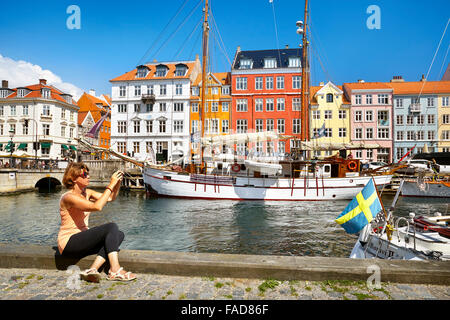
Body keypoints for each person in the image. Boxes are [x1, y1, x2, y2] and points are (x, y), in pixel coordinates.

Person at [58, 162, 136, 282]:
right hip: (69, 243)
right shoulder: (68, 197)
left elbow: (110, 198)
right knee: (111, 227)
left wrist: (118, 182)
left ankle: (92, 269)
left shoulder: (87, 193)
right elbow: (97, 207)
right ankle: (114, 270)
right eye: (84, 174)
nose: (88, 176)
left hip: (82, 240)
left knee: (118, 234)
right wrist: (111, 184)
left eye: (88, 174)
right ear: (73, 179)